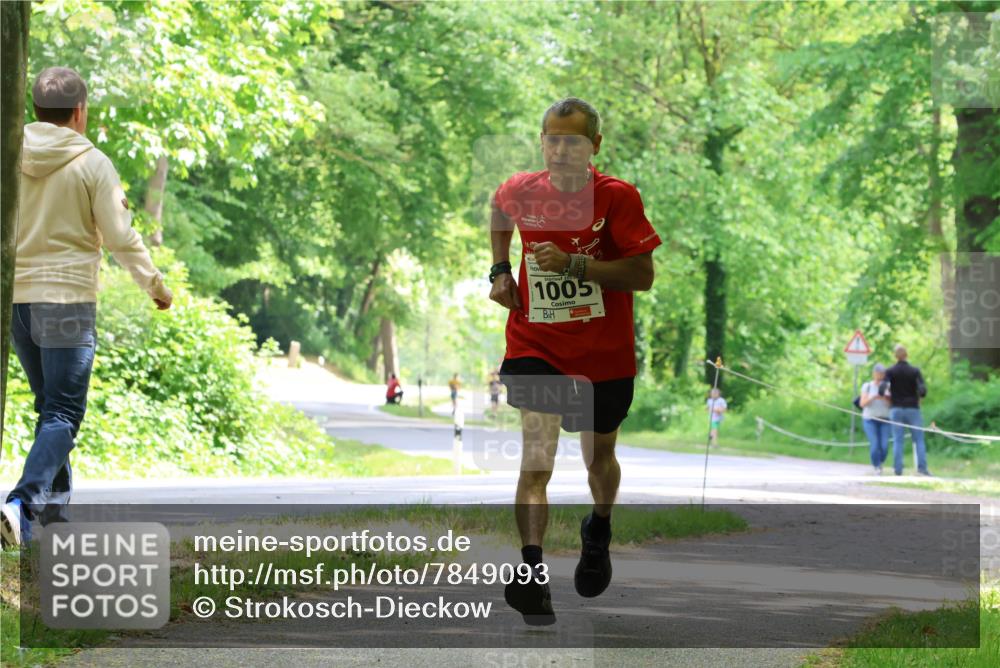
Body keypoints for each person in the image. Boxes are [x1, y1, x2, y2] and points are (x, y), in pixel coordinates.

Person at [489, 97, 660, 624]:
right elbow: (499, 212)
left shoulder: (617, 197)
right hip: (535, 345)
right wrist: (499, 271)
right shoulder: (521, 189)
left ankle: (599, 528)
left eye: (573, 140)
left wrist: (576, 264)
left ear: (595, 146)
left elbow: (642, 275)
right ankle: (532, 573)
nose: (561, 149)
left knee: (598, 459)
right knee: (536, 460)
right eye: (552, 138)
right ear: (542, 141)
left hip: (602, 357)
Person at [1, 67, 173, 549]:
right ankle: (24, 504)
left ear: (36, 111)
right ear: (80, 112)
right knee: (62, 414)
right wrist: (155, 285)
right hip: (68, 301)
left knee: (48, 408)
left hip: (16, 301)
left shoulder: (9, 155)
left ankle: (53, 518)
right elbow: (119, 236)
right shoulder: (93, 162)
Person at [884, 344, 930, 476]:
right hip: (913, 408)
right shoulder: (915, 371)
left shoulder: (890, 372)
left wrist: (890, 398)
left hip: (896, 408)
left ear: (895, 356)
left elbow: (883, 388)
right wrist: (919, 397)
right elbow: (922, 390)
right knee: (918, 439)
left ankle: (898, 469)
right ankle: (922, 468)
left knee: (898, 440)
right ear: (906, 355)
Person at [859, 363, 891, 474]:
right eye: (878, 373)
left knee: (884, 445)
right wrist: (872, 397)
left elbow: (891, 405)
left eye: (882, 374)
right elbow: (862, 403)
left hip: (885, 419)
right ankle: (876, 465)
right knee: (875, 444)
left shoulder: (888, 386)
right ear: (874, 374)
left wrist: (883, 398)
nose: (879, 376)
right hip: (869, 419)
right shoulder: (867, 386)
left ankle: (880, 461)